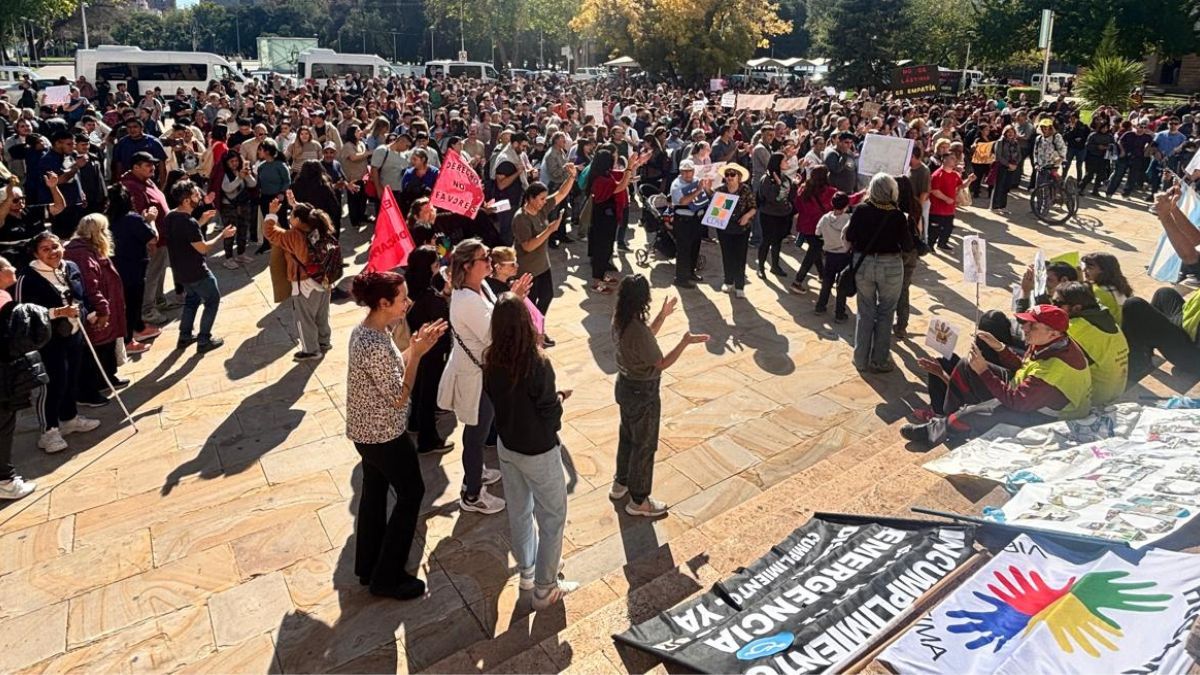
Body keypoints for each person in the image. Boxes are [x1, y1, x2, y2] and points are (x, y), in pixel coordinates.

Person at [345, 270, 447, 601]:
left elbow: (390, 372)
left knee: (374, 494)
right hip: (384, 434)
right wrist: (416, 355)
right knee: (411, 493)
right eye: (402, 298)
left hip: (367, 433)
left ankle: (368, 565)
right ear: (383, 303)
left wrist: (414, 347)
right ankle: (387, 576)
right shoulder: (374, 341)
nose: (408, 302)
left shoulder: (370, 332)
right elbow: (399, 395)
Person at [482, 293, 579, 610]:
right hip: (537, 450)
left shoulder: (490, 357)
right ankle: (545, 588)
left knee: (520, 512)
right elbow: (550, 414)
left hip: (507, 447)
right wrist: (560, 399)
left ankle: (528, 573)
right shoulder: (537, 363)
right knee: (552, 518)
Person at [902, 304, 1093, 446]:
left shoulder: (1056, 368)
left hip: (1044, 415)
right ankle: (948, 422)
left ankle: (936, 431)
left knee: (974, 413)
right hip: (1025, 391)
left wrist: (984, 371)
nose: (1025, 329)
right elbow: (1023, 367)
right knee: (965, 365)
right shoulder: (1049, 342)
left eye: (1032, 326)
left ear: (1053, 333)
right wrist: (1000, 348)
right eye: (1026, 323)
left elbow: (1017, 402)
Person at [437, 239, 533, 515]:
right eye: (484, 258)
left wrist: (515, 300)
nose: (490, 261)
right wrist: (514, 300)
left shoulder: (482, 287)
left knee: (479, 429)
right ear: (468, 266)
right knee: (476, 433)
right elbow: (494, 335)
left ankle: (476, 471)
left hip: (484, 372)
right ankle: (472, 492)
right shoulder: (466, 300)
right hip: (475, 377)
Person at [611, 275, 708, 516]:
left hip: (625, 385)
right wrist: (684, 342)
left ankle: (620, 482)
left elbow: (645, 337)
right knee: (644, 445)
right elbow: (661, 362)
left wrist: (663, 315)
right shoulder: (637, 329)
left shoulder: (621, 320)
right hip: (643, 392)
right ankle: (639, 500)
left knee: (627, 436)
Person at [14, 232, 100, 453]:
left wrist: (89, 314)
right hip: (48, 340)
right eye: (45, 249)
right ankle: (48, 431)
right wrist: (58, 312)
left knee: (71, 377)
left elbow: (81, 297)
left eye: (55, 246)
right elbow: (23, 313)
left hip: (73, 333)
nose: (53, 252)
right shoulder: (28, 277)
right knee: (53, 384)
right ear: (35, 253)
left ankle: (69, 418)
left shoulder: (70, 267)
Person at [844, 173, 913, 374]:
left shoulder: (861, 211)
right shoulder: (898, 215)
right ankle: (880, 359)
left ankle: (860, 358)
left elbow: (850, 236)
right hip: (891, 265)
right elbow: (907, 245)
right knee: (885, 313)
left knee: (865, 312)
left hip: (864, 264)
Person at [63, 214, 130, 407]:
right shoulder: (82, 254)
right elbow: (90, 287)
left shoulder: (89, 248)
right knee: (96, 350)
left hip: (108, 305)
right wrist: (102, 309)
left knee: (107, 345)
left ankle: (106, 378)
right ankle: (87, 392)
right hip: (98, 311)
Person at [162, 180, 236, 353]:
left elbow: (185, 236)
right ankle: (204, 339)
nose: (200, 197)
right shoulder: (189, 223)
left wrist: (201, 221)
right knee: (212, 300)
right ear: (186, 200)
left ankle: (185, 336)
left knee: (192, 300)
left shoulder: (171, 216)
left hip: (180, 272)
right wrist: (222, 236)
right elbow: (203, 247)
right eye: (196, 195)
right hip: (196, 271)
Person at [0, 253, 50, 499]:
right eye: (8, 265)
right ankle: (6, 482)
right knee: (4, 425)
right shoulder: (2, 300)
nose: (13, 268)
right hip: (4, 376)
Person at [264, 199, 334, 361]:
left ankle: (311, 350)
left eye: (291, 214)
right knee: (322, 314)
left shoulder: (293, 236)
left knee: (304, 318)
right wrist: (296, 204)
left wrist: (272, 214)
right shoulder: (320, 228)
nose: (289, 217)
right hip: (324, 279)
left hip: (305, 283)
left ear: (298, 220)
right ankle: (324, 342)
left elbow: (270, 232)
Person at [513, 171, 575, 347]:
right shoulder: (521, 218)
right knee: (529, 305)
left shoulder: (541, 208)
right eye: (540, 199)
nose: (543, 202)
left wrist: (571, 177)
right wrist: (549, 230)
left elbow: (561, 194)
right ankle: (530, 333)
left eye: (544, 199)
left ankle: (537, 328)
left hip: (543, 265)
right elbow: (528, 246)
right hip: (527, 270)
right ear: (530, 198)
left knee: (547, 296)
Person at [404, 246, 454, 455]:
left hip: (418, 348)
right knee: (428, 394)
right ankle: (428, 440)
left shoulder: (410, 288)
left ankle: (414, 422)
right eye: (436, 263)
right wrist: (446, 299)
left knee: (418, 389)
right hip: (432, 350)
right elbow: (442, 319)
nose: (439, 266)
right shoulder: (428, 296)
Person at [105, 184, 161, 354]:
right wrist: (150, 221)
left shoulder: (108, 219)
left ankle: (139, 327)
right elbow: (153, 238)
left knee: (130, 303)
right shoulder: (132, 219)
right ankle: (129, 341)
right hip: (133, 269)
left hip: (116, 268)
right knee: (131, 304)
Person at [1053, 282, 1128, 406]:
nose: (1053, 306)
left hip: (1094, 402)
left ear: (1077, 308)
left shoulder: (1074, 328)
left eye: (1057, 303)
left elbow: (1035, 342)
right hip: (1115, 392)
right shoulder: (1105, 319)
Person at [586, 148, 644, 294]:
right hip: (602, 219)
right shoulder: (599, 179)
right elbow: (621, 186)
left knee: (607, 248)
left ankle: (603, 275)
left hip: (609, 218)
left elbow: (622, 175)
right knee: (601, 249)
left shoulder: (605, 174)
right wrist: (630, 167)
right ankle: (597, 282)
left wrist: (634, 165)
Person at [713, 162, 757, 298]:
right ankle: (728, 281)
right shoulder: (721, 190)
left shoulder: (745, 190)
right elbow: (715, 211)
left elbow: (753, 207)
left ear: (739, 176)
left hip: (742, 228)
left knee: (740, 256)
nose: (730, 177)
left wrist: (747, 215)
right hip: (725, 228)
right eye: (727, 174)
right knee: (727, 255)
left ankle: (739, 285)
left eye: (733, 174)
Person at [790, 166, 835, 293]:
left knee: (815, 251)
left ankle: (822, 275)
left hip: (805, 227)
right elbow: (845, 201)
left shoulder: (803, 189)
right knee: (812, 253)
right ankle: (797, 281)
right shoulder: (830, 192)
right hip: (820, 228)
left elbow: (797, 205)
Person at [211, 152, 257, 269]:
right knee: (230, 233)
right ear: (227, 163)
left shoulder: (241, 170)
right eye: (232, 162)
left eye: (236, 161)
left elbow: (253, 184)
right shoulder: (225, 174)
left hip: (243, 205)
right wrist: (239, 178)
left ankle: (241, 254)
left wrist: (247, 175)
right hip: (229, 208)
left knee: (243, 230)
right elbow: (226, 188)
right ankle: (228, 258)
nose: (235, 164)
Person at [668, 159, 708, 288]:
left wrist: (705, 188)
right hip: (683, 221)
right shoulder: (676, 184)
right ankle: (680, 278)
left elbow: (703, 195)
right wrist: (697, 190)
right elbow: (683, 201)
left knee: (694, 248)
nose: (688, 174)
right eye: (684, 172)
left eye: (690, 171)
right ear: (680, 172)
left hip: (696, 219)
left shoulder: (697, 180)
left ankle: (691, 272)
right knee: (684, 250)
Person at [755, 152, 795, 279]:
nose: (787, 163)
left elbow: (789, 196)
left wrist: (795, 185)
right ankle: (761, 267)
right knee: (766, 241)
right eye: (784, 161)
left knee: (777, 242)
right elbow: (772, 198)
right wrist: (778, 186)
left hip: (782, 215)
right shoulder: (767, 178)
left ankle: (775, 266)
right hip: (769, 215)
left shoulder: (785, 177)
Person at [813, 192, 852, 322]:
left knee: (827, 282)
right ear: (846, 205)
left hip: (829, 254)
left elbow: (817, 232)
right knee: (842, 286)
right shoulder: (849, 219)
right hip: (844, 255)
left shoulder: (825, 218)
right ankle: (839, 313)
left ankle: (820, 306)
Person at [928, 153, 972, 252]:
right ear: (944, 160)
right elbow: (934, 190)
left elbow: (960, 186)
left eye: (955, 159)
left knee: (948, 228)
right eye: (952, 158)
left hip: (949, 209)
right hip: (937, 209)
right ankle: (930, 245)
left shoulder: (955, 174)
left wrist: (969, 180)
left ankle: (942, 243)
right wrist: (946, 199)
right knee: (935, 229)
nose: (954, 160)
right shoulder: (937, 174)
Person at [1081, 252, 1133, 324]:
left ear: (1103, 270)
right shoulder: (1122, 286)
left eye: (1089, 268)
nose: (1084, 270)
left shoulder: (1098, 291)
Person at [990, 125, 1021, 213]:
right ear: (1005, 132)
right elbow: (998, 156)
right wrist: (1008, 164)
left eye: (1012, 132)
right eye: (1009, 132)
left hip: (1012, 166)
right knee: (999, 186)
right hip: (1002, 166)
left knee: (1006, 187)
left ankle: (1002, 206)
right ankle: (994, 206)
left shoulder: (1015, 142)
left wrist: (1015, 164)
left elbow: (1019, 154)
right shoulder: (1000, 142)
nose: (1010, 134)